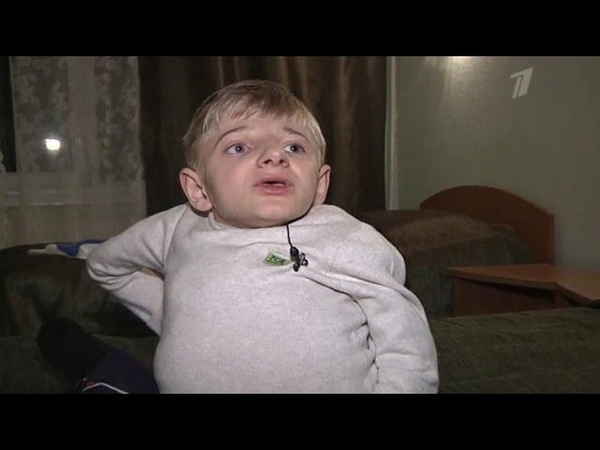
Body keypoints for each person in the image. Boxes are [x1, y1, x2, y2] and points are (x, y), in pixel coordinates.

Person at [83, 79, 439, 393]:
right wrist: (173, 316)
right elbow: (106, 266)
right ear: (198, 189)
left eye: (294, 147)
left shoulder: (347, 237)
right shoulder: (176, 227)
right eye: (239, 147)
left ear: (320, 184)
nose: (274, 156)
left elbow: (404, 336)